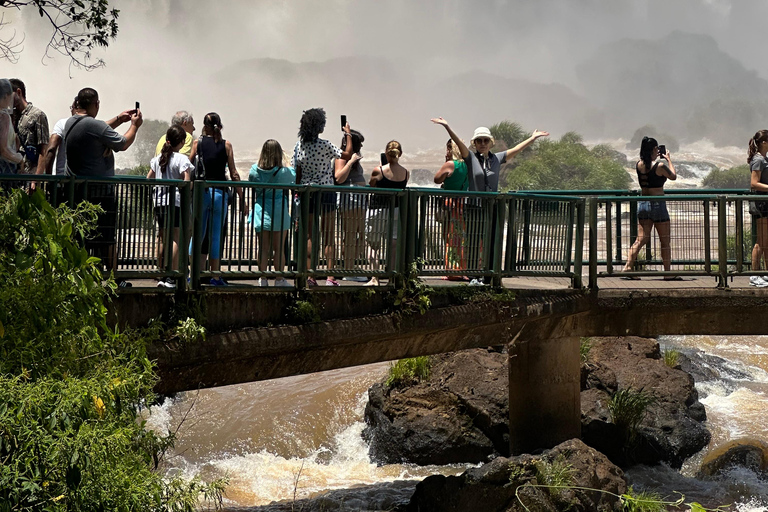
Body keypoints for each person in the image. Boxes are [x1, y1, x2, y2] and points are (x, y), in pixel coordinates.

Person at [432, 117, 549, 285]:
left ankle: (490, 274)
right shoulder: (471, 159)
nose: (482, 143)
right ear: (475, 143)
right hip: (473, 207)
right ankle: (473, 275)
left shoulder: (497, 159)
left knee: (491, 240)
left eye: (485, 140)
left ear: (490, 142)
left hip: (492, 207)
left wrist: (533, 138)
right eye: (479, 140)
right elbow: (458, 142)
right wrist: (447, 127)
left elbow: (516, 149)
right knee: (473, 241)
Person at [65, 87, 143, 287]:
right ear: (96, 104)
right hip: (101, 194)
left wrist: (119, 119)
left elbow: (97, 128)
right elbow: (123, 143)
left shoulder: (71, 122)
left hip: (79, 193)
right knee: (107, 238)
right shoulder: (93, 126)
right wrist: (134, 125)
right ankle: (115, 279)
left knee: (83, 237)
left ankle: (81, 277)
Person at [291, 108, 353, 286]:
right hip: (326, 192)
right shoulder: (325, 145)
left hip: (307, 192)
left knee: (310, 235)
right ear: (319, 127)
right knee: (328, 236)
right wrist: (347, 134)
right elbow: (346, 154)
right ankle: (330, 277)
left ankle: (310, 276)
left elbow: (297, 172)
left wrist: (296, 192)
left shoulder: (299, 146)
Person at [188, 112, 243, 286]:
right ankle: (216, 277)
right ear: (220, 126)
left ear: (204, 126)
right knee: (215, 236)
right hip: (220, 194)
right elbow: (234, 173)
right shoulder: (227, 145)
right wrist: (242, 197)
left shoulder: (198, 143)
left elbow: (188, 167)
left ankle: (193, 275)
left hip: (202, 194)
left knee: (198, 234)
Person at [621, 136, 678, 279]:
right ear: (654, 149)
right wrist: (668, 159)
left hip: (644, 203)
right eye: (657, 148)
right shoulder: (659, 166)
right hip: (658, 204)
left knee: (640, 239)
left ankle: (628, 267)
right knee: (664, 240)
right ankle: (667, 273)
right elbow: (673, 176)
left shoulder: (639, 164)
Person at [147, 125, 193, 288]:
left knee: (164, 238)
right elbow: (186, 182)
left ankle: (162, 273)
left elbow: (148, 178)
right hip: (175, 202)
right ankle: (172, 277)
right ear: (181, 142)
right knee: (176, 238)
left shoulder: (158, 159)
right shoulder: (182, 159)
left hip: (159, 203)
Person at [249, 139, 295, 287]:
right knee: (279, 249)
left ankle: (262, 278)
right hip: (279, 211)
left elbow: (252, 184)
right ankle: (279, 279)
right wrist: (287, 162)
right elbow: (294, 177)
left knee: (263, 248)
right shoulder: (283, 172)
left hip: (261, 209)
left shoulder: (254, 170)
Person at [366, 140, 408, 287]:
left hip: (378, 209)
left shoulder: (379, 170)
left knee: (372, 245)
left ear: (386, 153)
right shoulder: (405, 173)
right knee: (393, 245)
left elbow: (371, 185)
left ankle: (374, 278)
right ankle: (391, 279)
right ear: (400, 154)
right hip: (396, 210)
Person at [334, 129, 367, 282]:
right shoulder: (342, 157)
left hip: (358, 198)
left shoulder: (351, 158)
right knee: (351, 234)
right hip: (350, 198)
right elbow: (339, 178)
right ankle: (348, 268)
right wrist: (352, 161)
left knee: (358, 235)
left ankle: (350, 265)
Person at [433, 139, 469, 280]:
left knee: (449, 238)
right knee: (460, 239)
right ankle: (462, 269)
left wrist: (446, 162)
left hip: (449, 205)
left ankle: (451, 272)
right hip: (462, 205)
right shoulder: (467, 165)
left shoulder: (450, 165)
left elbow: (437, 179)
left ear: (450, 150)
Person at [10, 79, 49, 177]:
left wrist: (36, 178)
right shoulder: (11, 116)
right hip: (14, 175)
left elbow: (43, 150)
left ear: (18, 92)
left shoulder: (37, 115)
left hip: (30, 173)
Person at [747, 130, 768, 287]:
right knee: (761, 241)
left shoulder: (764, 158)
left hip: (765, 202)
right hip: (761, 204)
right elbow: (754, 183)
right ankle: (754, 275)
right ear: (764, 142)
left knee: (766, 240)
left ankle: (764, 273)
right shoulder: (758, 160)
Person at [44, 100, 78, 178]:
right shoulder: (93, 125)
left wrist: (49, 177)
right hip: (82, 180)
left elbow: (52, 148)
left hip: (61, 177)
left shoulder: (62, 123)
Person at [0, 79, 24, 176]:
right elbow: (3, 149)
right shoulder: (3, 116)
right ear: (6, 96)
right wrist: (19, 159)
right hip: (4, 169)